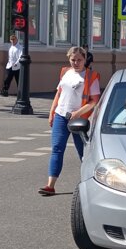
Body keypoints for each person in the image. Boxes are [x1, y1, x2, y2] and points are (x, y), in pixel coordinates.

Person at [41, 47, 101, 196]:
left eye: (79, 60)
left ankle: (92, 184)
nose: (76, 62)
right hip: (61, 116)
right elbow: (59, 94)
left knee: (83, 153)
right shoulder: (65, 72)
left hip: (79, 120)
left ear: (85, 59)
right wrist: (52, 112)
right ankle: (50, 185)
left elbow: (94, 101)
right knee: (57, 149)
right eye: (73, 60)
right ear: (69, 59)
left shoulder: (90, 76)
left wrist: (78, 113)